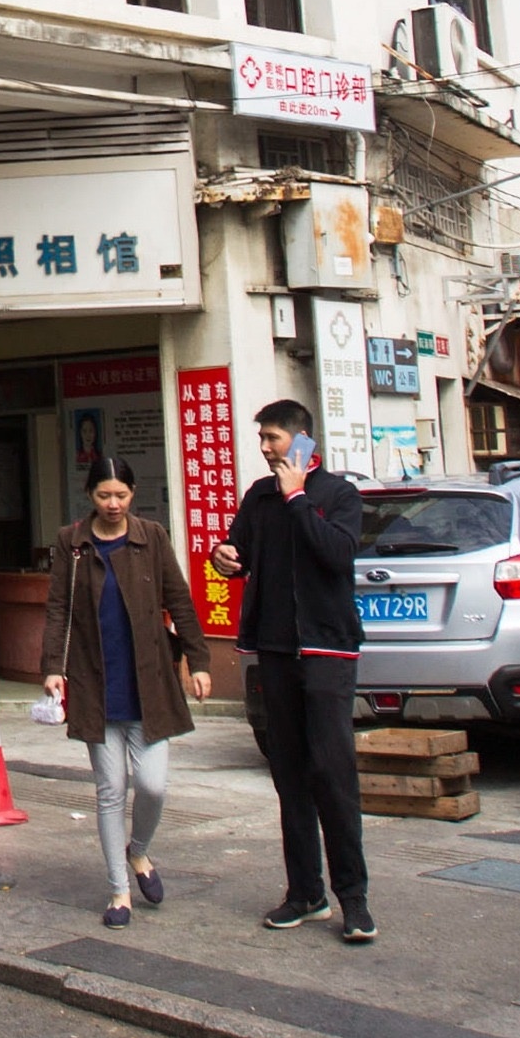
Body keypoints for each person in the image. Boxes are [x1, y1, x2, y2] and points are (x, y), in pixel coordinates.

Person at [208, 399, 371, 944]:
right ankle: (305, 892)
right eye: (263, 439)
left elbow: (338, 555)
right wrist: (224, 557)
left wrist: (298, 497)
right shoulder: (258, 496)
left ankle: (355, 899)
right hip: (275, 650)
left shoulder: (338, 495)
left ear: (302, 441)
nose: (265, 447)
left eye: (274, 438)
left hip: (327, 651)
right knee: (290, 774)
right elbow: (240, 553)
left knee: (332, 772)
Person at [43, 453, 212, 927]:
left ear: (132, 495)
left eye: (120, 495)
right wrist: (53, 667)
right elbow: (58, 607)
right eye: (103, 496)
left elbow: (179, 598)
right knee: (110, 790)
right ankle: (119, 892)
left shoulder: (151, 537)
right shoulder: (71, 544)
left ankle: (138, 851)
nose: (113, 504)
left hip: (148, 681)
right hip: (96, 681)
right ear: (90, 495)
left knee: (154, 785)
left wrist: (198, 662)